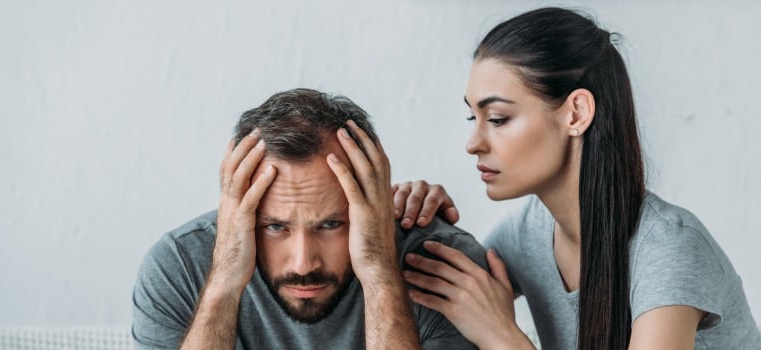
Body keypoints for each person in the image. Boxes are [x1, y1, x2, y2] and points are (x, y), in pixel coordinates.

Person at [393, 7, 761, 350]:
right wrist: (415, 214)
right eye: (473, 118)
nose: (473, 144)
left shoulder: (670, 249)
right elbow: (444, 289)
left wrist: (503, 337)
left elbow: (489, 324)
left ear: (576, 114)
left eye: (499, 119)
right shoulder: (529, 232)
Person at [131, 88, 488, 350]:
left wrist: (380, 271)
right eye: (275, 226)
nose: (304, 262)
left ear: (374, 201)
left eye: (331, 224)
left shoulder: (441, 266)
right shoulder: (177, 266)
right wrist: (224, 279)